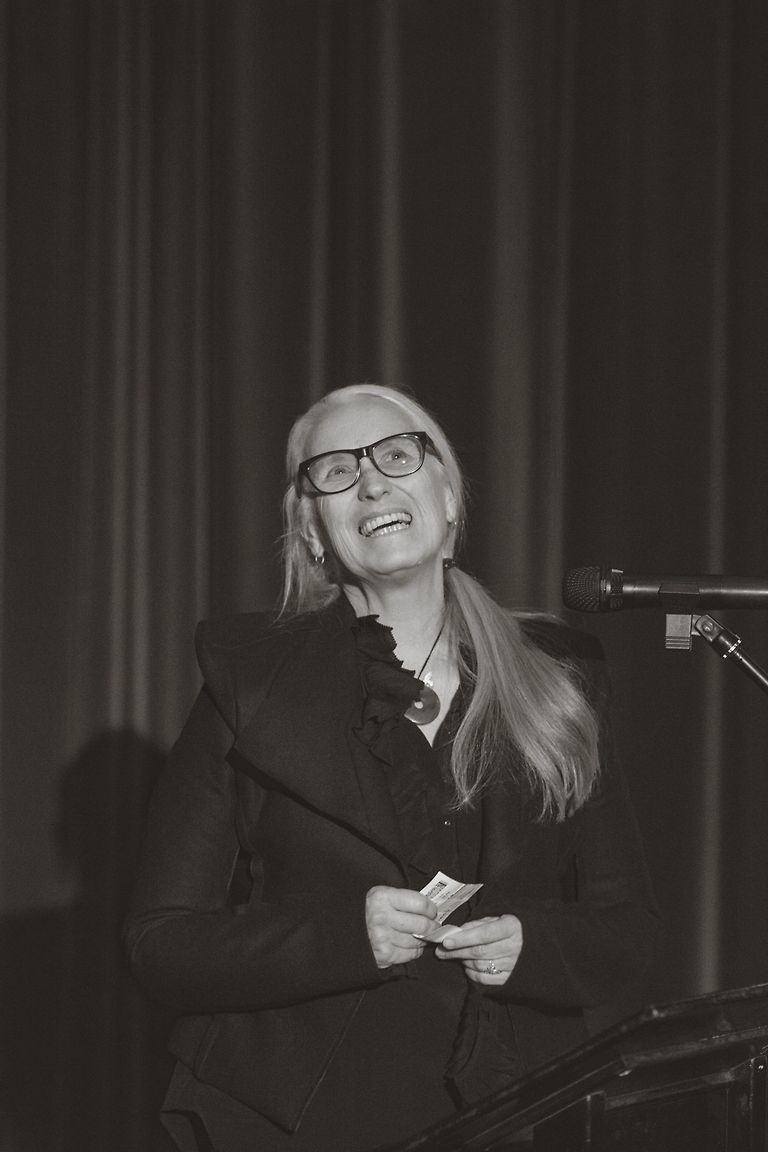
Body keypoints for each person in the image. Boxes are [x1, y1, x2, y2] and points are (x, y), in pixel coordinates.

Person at [124, 383, 660, 1152]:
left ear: (449, 498)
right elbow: (160, 945)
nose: (372, 481)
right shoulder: (250, 686)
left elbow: (628, 931)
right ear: (313, 532)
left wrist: (532, 944)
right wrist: (345, 937)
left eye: (396, 456)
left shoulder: (559, 677)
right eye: (337, 471)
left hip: (516, 1107)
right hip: (295, 1119)